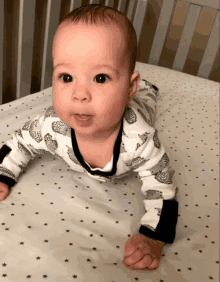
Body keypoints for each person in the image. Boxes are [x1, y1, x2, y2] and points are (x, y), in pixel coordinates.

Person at [0, 4, 178, 272]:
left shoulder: (140, 139)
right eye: (67, 77)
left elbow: (162, 189)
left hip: (136, 106)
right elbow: (20, 142)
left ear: (129, 85)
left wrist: (153, 237)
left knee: (146, 102)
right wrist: (3, 173)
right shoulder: (52, 126)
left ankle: (146, 90)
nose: (79, 94)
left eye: (101, 77)